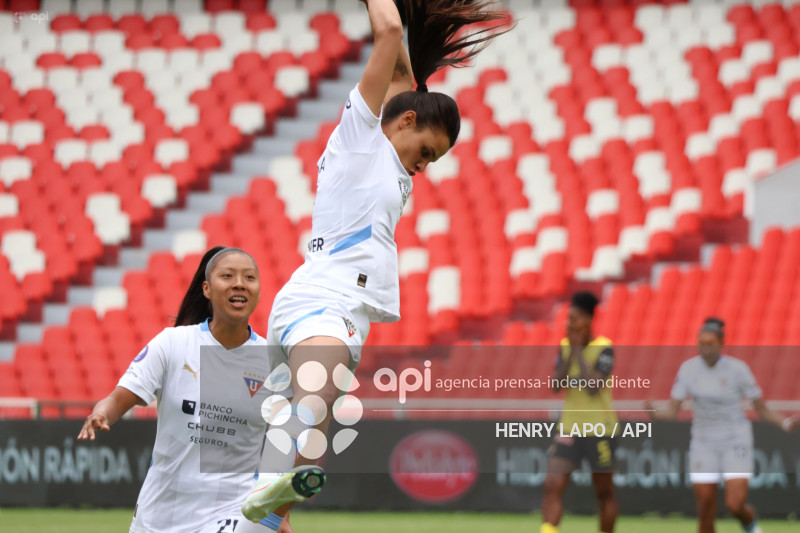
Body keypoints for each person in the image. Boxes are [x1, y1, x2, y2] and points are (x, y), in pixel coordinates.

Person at [240, 0, 512, 528]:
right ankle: (259, 485)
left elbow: (408, 76)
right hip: (326, 301)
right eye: (427, 151)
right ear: (406, 121)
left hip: (337, 307)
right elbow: (387, 29)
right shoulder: (359, 141)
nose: (425, 167)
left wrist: (416, 59)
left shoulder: (392, 158)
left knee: (303, 457)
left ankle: (264, 514)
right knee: (312, 405)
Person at [78, 246, 293, 533]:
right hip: (159, 515)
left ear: (258, 290)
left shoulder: (273, 361)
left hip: (232, 511)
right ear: (206, 289)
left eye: (249, 278)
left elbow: (281, 445)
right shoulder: (172, 343)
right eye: (227, 276)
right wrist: (101, 413)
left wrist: (281, 515)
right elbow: (118, 399)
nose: (239, 283)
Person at [645, 317, 798, 533]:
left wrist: (786, 423)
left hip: (734, 440)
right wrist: (655, 414)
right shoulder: (688, 369)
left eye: (710, 344)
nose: (705, 349)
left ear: (720, 344)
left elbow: (761, 409)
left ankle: (750, 523)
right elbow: (672, 411)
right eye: (701, 343)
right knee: (705, 506)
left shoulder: (738, 369)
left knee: (734, 505)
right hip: (703, 443)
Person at [541, 291, 618, 533]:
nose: (569, 324)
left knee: (604, 492)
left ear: (588, 320)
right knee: (553, 483)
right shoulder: (564, 346)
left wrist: (577, 352)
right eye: (568, 319)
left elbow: (593, 387)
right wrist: (570, 351)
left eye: (575, 319)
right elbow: (555, 385)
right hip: (570, 427)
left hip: (600, 429)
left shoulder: (605, 349)